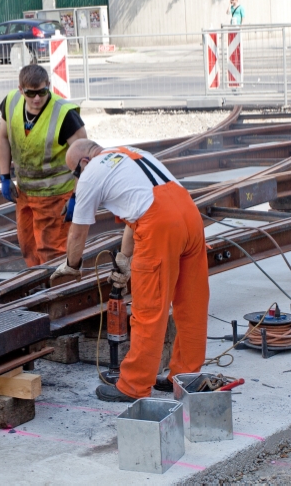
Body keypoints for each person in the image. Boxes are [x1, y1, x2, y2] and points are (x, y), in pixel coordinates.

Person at [51, 139, 209, 403]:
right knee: (191, 302)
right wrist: (125, 259)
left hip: (160, 225)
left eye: (75, 173)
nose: (77, 179)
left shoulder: (91, 172)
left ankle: (134, 386)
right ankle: (186, 376)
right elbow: (133, 215)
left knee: (149, 309)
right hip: (190, 215)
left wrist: (72, 265)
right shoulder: (130, 154)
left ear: (84, 163)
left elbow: (78, 232)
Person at [0, 64, 87, 267]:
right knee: (29, 249)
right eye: (31, 93)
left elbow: (85, 158)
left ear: (48, 86)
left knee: (53, 253)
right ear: (21, 90)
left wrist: (76, 196)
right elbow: (3, 137)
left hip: (56, 199)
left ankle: (58, 292)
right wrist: (4, 177)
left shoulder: (65, 115)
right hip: (25, 195)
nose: (37, 98)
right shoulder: (11, 103)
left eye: (42, 92)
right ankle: (38, 290)